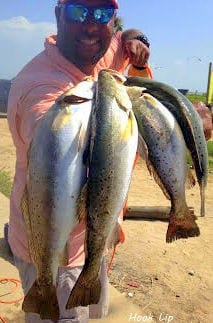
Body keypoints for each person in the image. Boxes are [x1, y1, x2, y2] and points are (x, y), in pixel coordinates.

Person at [7, 0, 151, 322]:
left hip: (92, 238)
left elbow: (123, 41)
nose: (90, 25)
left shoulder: (97, 52)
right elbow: (55, 139)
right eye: (77, 11)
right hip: (55, 253)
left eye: (102, 14)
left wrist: (137, 38)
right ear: (58, 13)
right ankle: (42, 290)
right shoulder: (40, 87)